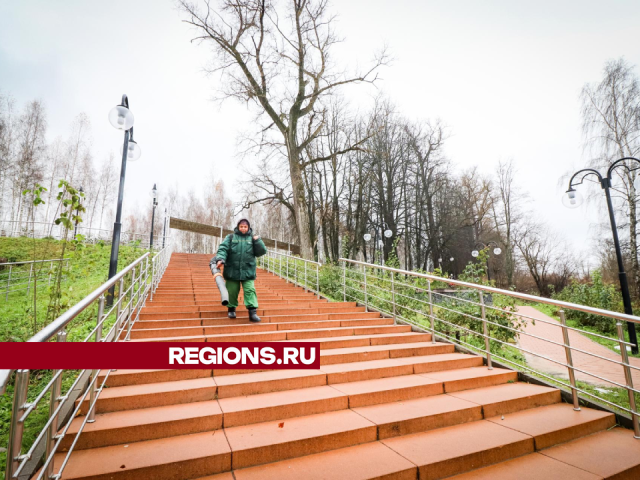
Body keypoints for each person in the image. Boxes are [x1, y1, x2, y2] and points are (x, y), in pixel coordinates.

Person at [215, 219, 267, 322]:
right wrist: (220, 259)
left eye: (245, 227)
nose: (243, 228)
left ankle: (252, 313)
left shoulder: (252, 238)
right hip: (232, 270)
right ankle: (231, 309)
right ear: (238, 227)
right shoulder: (230, 237)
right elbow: (223, 249)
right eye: (241, 227)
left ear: (248, 228)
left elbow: (261, 252)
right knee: (232, 291)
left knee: (250, 290)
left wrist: (258, 241)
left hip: (248, 270)